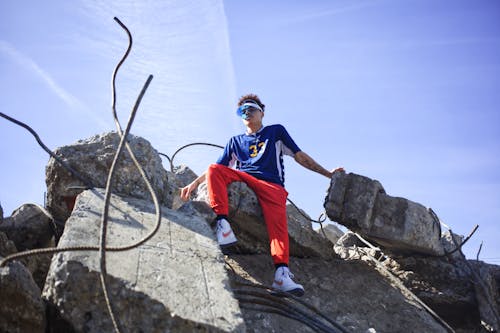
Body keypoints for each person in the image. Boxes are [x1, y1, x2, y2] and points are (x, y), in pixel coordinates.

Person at [180, 94, 343, 296]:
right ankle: (223, 225)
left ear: (261, 113)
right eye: (242, 111)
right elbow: (216, 170)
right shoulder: (235, 141)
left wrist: (327, 174)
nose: (247, 113)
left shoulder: (275, 131)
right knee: (214, 168)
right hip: (244, 178)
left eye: (251, 108)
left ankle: (282, 275)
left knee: (278, 226)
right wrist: (194, 183)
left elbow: (299, 156)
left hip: (271, 184)